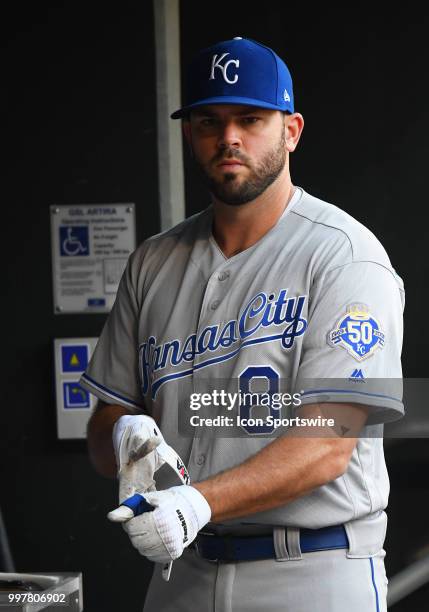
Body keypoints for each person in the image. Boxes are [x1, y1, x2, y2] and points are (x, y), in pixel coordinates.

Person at [81, 37, 405, 611]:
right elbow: (106, 425)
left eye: (250, 119)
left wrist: (198, 502)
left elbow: (329, 443)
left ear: (292, 131)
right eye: (209, 121)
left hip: (312, 570)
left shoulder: (345, 256)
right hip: (183, 569)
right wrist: (122, 433)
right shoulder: (152, 263)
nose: (228, 137)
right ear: (190, 135)